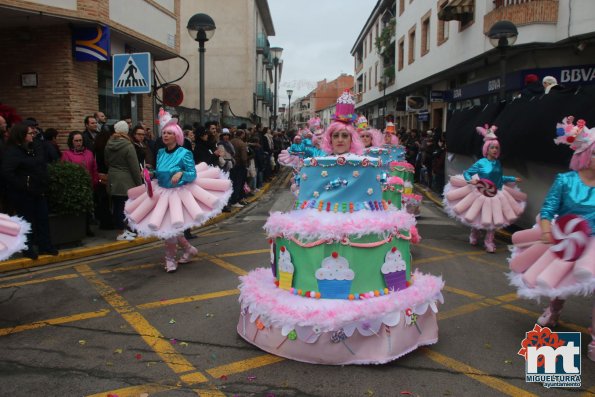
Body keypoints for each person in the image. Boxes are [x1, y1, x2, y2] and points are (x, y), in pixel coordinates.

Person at [508, 117, 595, 361]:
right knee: (560, 279)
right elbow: (547, 210)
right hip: (565, 238)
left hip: (594, 243)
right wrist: (547, 233)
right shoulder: (565, 181)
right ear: (586, 155)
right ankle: (554, 309)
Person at [124, 109, 232, 273]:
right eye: (164, 133)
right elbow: (159, 172)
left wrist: (181, 174)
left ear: (177, 136)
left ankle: (169, 259)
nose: (165, 136)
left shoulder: (184, 152)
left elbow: (192, 174)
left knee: (171, 230)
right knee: (171, 227)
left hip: (179, 193)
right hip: (162, 192)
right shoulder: (160, 152)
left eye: (169, 133)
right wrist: (149, 173)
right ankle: (189, 249)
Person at [443, 125, 525, 253]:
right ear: (486, 149)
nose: (494, 150)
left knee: (492, 220)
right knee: (479, 216)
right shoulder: (481, 162)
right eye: (492, 147)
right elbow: (468, 173)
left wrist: (512, 179)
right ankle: (474, 233)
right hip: (480, 193)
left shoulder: (498, 163)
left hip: (496, 194)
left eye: (496, 148)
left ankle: (489, 241)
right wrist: (471, 180)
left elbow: (499, 178)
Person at [2, 123, 58, 259]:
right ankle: (28, 249)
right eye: (30, 134)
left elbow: (40, 164)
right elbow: (7, 173)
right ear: (21, 135)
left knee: (43, 219)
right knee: (27, 222)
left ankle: (45, 246)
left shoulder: (32, 148)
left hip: (38, 190)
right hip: (23, 194)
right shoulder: (12, 151)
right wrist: (24, 184)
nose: (33, 136)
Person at [104, 120, 143, 241]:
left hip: (113, 178)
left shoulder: (109, 144)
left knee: (117, 206)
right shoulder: (128, 145)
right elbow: (134, 166)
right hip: (126, 179)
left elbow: (106, 161)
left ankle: (122, 230)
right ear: (126, 132)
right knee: (124, 207)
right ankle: (121, 232)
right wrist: (139, 184)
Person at [61, 131, 99, 236]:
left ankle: (87, 229)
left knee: (88, 209)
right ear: (71, 142)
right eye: (76, 141)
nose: (79, 143)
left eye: (80, 140)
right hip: (75, 186)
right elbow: (65, 170)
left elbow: (94, 168)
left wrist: (95, 181)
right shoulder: (67, 154)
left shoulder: (89, 153)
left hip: (89, 185)